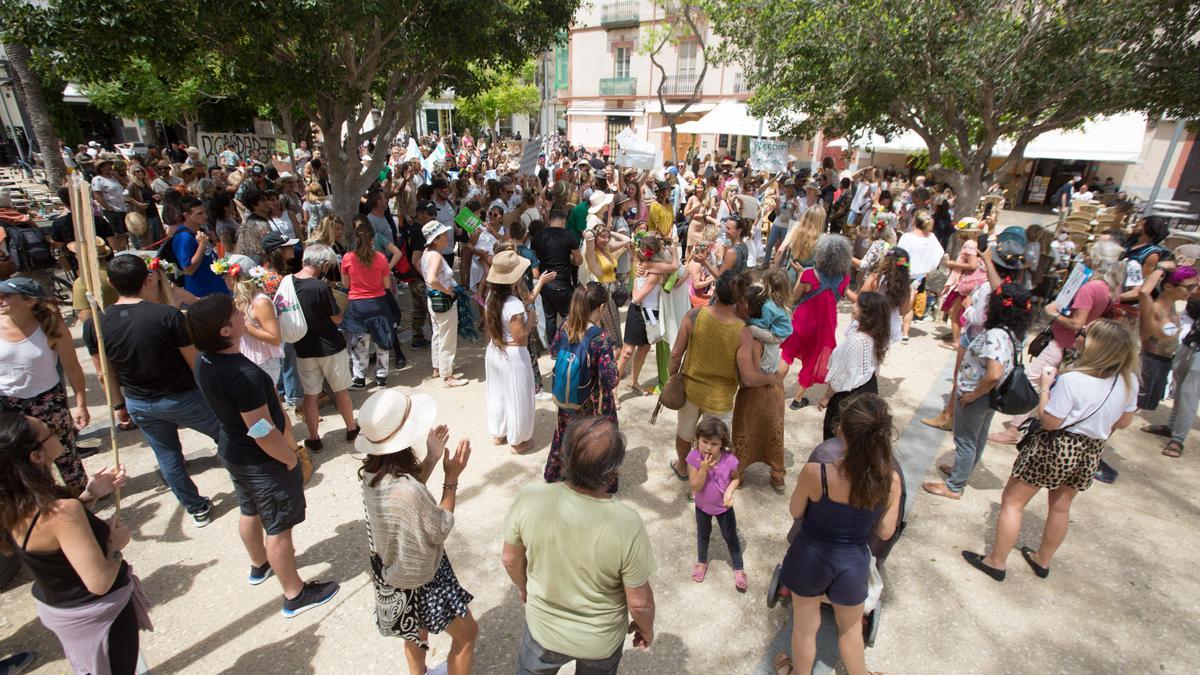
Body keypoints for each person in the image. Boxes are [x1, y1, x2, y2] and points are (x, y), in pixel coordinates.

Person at [187, 294, 339, 617]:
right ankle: (295, 594)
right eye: (234, 314)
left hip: (232, 451)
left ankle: (259, 565)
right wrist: (287, 457)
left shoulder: (204, 360)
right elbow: (260, 429)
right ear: (224, 330)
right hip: (260, 460)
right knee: (279, 527)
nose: (242, 314)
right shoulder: (245, 375)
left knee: (249, 509)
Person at [963, 319, 1138, 580]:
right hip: (1090, 450)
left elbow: (1050, 421)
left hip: (1054, 446)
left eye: (1083, 334)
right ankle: (1042, 559)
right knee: (1060, 506)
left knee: (1013, 501)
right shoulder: (1128, 382)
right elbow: (1123, 422)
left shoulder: (1073, 380)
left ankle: (996, 561)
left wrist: (1046, 387)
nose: (1078, 337)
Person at [502, 418, 656, 674]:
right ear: (612, 470)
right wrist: (646, 629)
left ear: (564, 457)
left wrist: (523, 587)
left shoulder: (530, 498)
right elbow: (639, 604)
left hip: (543, 631)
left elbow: (510, 559)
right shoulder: (627, 523)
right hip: (600, 641)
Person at [0, 413, 146, 675]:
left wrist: (90, 495)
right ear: (36, 456)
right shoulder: (61, 512)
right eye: (52, 430)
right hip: (98, 616)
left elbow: (53, 536)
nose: (61, 431)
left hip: (61, 608)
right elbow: (99, 582)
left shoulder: (14, 501)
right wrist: (115, 547)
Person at [88, 254, 222, 526]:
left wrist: (118, 406)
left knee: (167, 456)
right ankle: (248, 485)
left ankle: (195, 508)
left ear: (112, 283)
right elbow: (194, 361)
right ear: (148, 278)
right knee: (227, 434)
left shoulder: (95, 324)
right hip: (183, 397)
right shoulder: (166, 315)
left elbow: (104, 372)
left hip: (139, 402)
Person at [775, 394, 901, 675]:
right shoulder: (890, 481)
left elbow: (796, 511)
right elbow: (885, 530)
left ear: (841, 430)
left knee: (806, 629)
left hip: (810, 557)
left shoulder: (816, 473)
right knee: (850, 631)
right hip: (853, 562)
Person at [357, 389, 478, 675]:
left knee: (415, 632)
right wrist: (451, 479)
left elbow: (405, 502)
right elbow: (440, 525)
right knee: (467, 635)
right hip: (426, 579)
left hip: (395, 574)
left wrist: (432, 458)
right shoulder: (407, 490)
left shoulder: (371, 475)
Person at [989, 240, 1124, 444]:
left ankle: (1015, 429)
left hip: (1063, 342)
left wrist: (1052, 314)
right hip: (1076, 345)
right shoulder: (1108, 288)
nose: (1085, 258)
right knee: (1047, 383)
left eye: (1089, 255)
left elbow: (1077, 322)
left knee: (1031, 380)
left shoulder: (1092, 288)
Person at [923, 283, 1033, 500]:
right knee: (978, 435)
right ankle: (961, 472)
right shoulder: (1012, 332)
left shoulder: (996, 334)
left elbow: (993, 373)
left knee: (965, 440)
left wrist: (973, 394)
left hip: (977, 395)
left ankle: (954, 486)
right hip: (989, 395)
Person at [670, 271, 779, 482]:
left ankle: (683, 466)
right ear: (739, 299)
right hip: (720, 400)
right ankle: (705, 481)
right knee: (712, 442)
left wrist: (672, 377)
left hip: (690, 391)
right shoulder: (742, 332)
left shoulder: (694, 316)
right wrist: (769, 379)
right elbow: (748, 377)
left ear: (716, 293)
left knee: (684, 433)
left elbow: (675, 355)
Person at [0, 278, 89, 494]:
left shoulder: (51, 325)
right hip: (8, 405)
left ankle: (84, 504)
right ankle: (45, 504)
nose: (0, 300)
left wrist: (80, 404)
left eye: (6, 295)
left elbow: (73, 368)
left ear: (29, 301)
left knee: (65, 454)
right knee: (23, 461)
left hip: (49, 402)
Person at [543, 283, 620, 491]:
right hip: (593, 403)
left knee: (566, 434)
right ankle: (599, 482)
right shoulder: (600, 338)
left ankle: (556, 473)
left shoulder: (567, 325)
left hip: (567, 397)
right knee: (597, 440)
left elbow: (554, 351)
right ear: (602, 307)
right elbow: (610, 379)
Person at [290, 244, 360, 452]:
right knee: (341, 391)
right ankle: (350, 427)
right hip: (330, 346)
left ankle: (313, 437)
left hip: (303, 346)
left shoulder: (288, 283)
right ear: (324, 264)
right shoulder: (320, 288)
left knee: (310, 395)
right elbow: (336, 318)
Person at [781, 234, 854, 409]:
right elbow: (845, 295)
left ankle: (774, 389)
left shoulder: (809, 274)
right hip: (825, 327)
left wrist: (800, 275)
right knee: (813, 360)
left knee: (787, 354)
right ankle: (797, 400)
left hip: (801, 323)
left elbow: (794, 297)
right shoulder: (844, 280)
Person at [817, 291, 893, 440]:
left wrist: (826, 396)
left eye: (857, 305)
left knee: (837, 436)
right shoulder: (876, 333)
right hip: (868, 387)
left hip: (849, 396)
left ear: (866, 313)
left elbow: (841, 374)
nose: (853, 306)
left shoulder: (857, 340)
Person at [484, 251, 538, 453]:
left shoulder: (491, 297)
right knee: (518, 396)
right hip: (514, 355)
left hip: (495, 351)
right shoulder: (513, 304)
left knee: (498, 393)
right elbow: (521, 336)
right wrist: (531, 318)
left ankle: (499, 432)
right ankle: (518, 440)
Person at [687, 417, 746, 591]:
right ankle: (701, 562)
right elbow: (695, 486)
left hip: (723, 508)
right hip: (702, 506)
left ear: (722, 443)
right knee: (703, 534)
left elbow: (736, 479)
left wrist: (729, 492)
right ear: (698, 439)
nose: (707, 447)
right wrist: (703, 469)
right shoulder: (693, 457)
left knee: (730, 537)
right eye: (704, 442)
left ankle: (738, 568)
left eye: (713, 444)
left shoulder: (729, 460)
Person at [342, 222, 397, 390]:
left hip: (357, 305)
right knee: (382, 340)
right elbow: (386, 285)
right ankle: (381, 377)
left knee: (359, 344)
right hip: (378, 303)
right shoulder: (381, 258)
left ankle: (359, 378)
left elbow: (346, 284)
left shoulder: (347, 258)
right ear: (372, 239)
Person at [220, 256, 285, 384]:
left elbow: (275, 338)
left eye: (226, 275)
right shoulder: (240, 300)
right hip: (248, 358)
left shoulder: (260, 302)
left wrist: (244, 326)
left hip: (263, 362)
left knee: (267, 400)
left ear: (236, 277)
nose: (223, 279)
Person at [617, 233, 667, 395]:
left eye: (648, 251)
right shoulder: (638, 264)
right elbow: (636, 298)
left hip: (652, 313)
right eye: (644, 251)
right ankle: (612, 391)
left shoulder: (658, 268)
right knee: (626, 353)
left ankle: (634, 382)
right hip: (637, 312)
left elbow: (636, 296)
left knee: (644, 349)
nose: (645, 254)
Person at [421, 220, 467, 388]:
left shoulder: (427, 253)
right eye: (443, 235)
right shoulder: (435, 256)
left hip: (433, 299)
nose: (447, 237)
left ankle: (438, 367)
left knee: (438, 334)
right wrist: (446, 290)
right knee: (447, 337)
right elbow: (431, 279)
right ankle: (447, 376)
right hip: (443, 300)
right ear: (436, 238)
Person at [532, 208, 582, 346]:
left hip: (544, 282)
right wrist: (569, 259)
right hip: (562, 282)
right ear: (563, 220)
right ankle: (569, 344)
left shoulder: (537, 236)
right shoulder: (568, 235)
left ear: (549, 219)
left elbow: (535, 259)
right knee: (569, 315)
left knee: (550, 318)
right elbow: (578, 260)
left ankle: (553, 348)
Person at [896, 210, 945, 341]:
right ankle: (905, 332)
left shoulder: (907, 237)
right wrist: (928, 268)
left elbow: (899, 256)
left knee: (898, 302)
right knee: (909, 304)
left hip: (906, 274)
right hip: (921, 276)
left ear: (914, 221)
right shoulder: (932, 237)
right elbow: (939, 254)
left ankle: (895, 329)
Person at [582, 225, 631, 350]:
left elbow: (626, 240)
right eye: (602, 237)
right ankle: (608, 357)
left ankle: (611, 355)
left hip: (613, 290)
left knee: (614, 325)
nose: (606, 239)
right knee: (608, 328)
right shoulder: (592, 253)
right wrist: (591, 232)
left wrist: (611, 232)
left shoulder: (608, 248)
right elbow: (588, 238)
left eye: (607, 237)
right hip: (602, 292)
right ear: (595, 237)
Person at [172, 197, 230, 298]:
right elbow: (188, 269)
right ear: (186, 215)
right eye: (199, 213)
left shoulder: (200, 231)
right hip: (203, 293)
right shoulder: (183, 237)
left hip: (217, 288)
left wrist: (210, 243)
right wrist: (202, 245)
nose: (205, 216)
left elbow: (205, 256)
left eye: (205, 212)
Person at [746, 268, 794, 374]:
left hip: (776, 336)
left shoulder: (769, 306)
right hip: (783, 335)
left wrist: (749, 320)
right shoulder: (781, 301)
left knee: (751, 329)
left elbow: (763, 324)